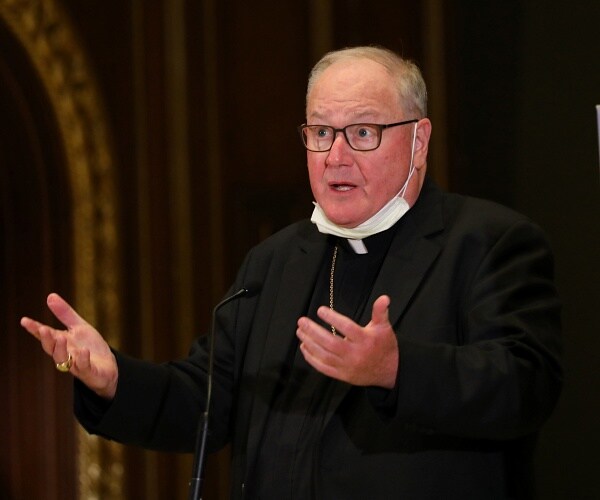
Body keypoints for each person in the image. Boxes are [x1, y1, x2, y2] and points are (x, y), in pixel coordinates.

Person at [21, 46, 562, 499]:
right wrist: (114, 379)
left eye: (364, 133)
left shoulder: (487, 241)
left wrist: (398, 370)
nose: (336, 156)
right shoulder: (277, 259)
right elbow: (207, 401)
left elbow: (525, 386)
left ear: (419, 141)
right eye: (321, 133)